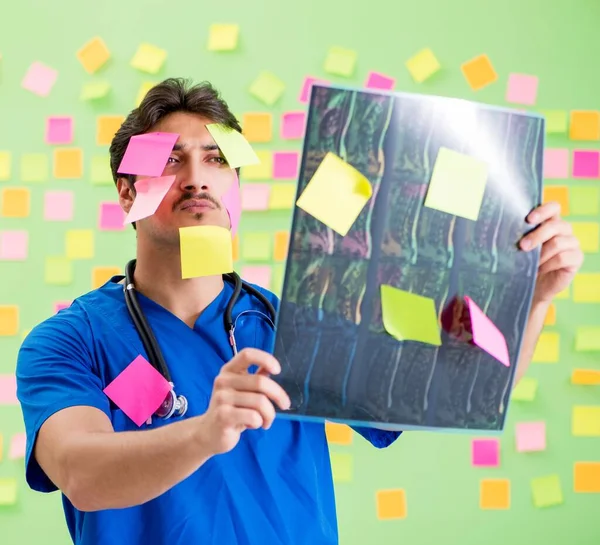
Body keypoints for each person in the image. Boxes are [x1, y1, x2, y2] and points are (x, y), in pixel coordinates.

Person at [15, 78, 583, 545]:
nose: (196, 178)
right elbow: (80, 473)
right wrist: (206, 433)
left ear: (234, 184)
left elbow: (462, 392)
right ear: (125, 194)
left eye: (216, 160)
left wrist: (532, 299)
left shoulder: (296, 323)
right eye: (169, 161)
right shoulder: (68, 341)